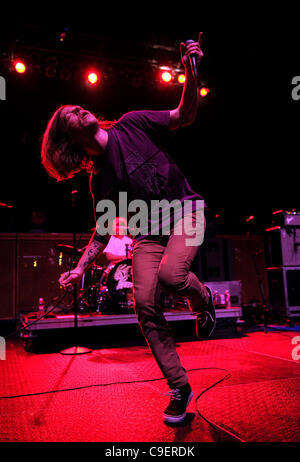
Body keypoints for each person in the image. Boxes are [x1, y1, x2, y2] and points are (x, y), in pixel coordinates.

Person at [41, 33, 216, 424]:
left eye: (76, 106)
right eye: (68, 113)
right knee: (145, 304)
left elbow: (183, 116)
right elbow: (102, 233)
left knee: (173, 276)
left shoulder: (132, 124)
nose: (76, 108)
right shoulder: (98, 181)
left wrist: (190, 69)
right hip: (148, 234)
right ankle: (179, 386)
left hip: (187, 211)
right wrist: (81, 268)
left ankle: (203, 300)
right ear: (68, 138)